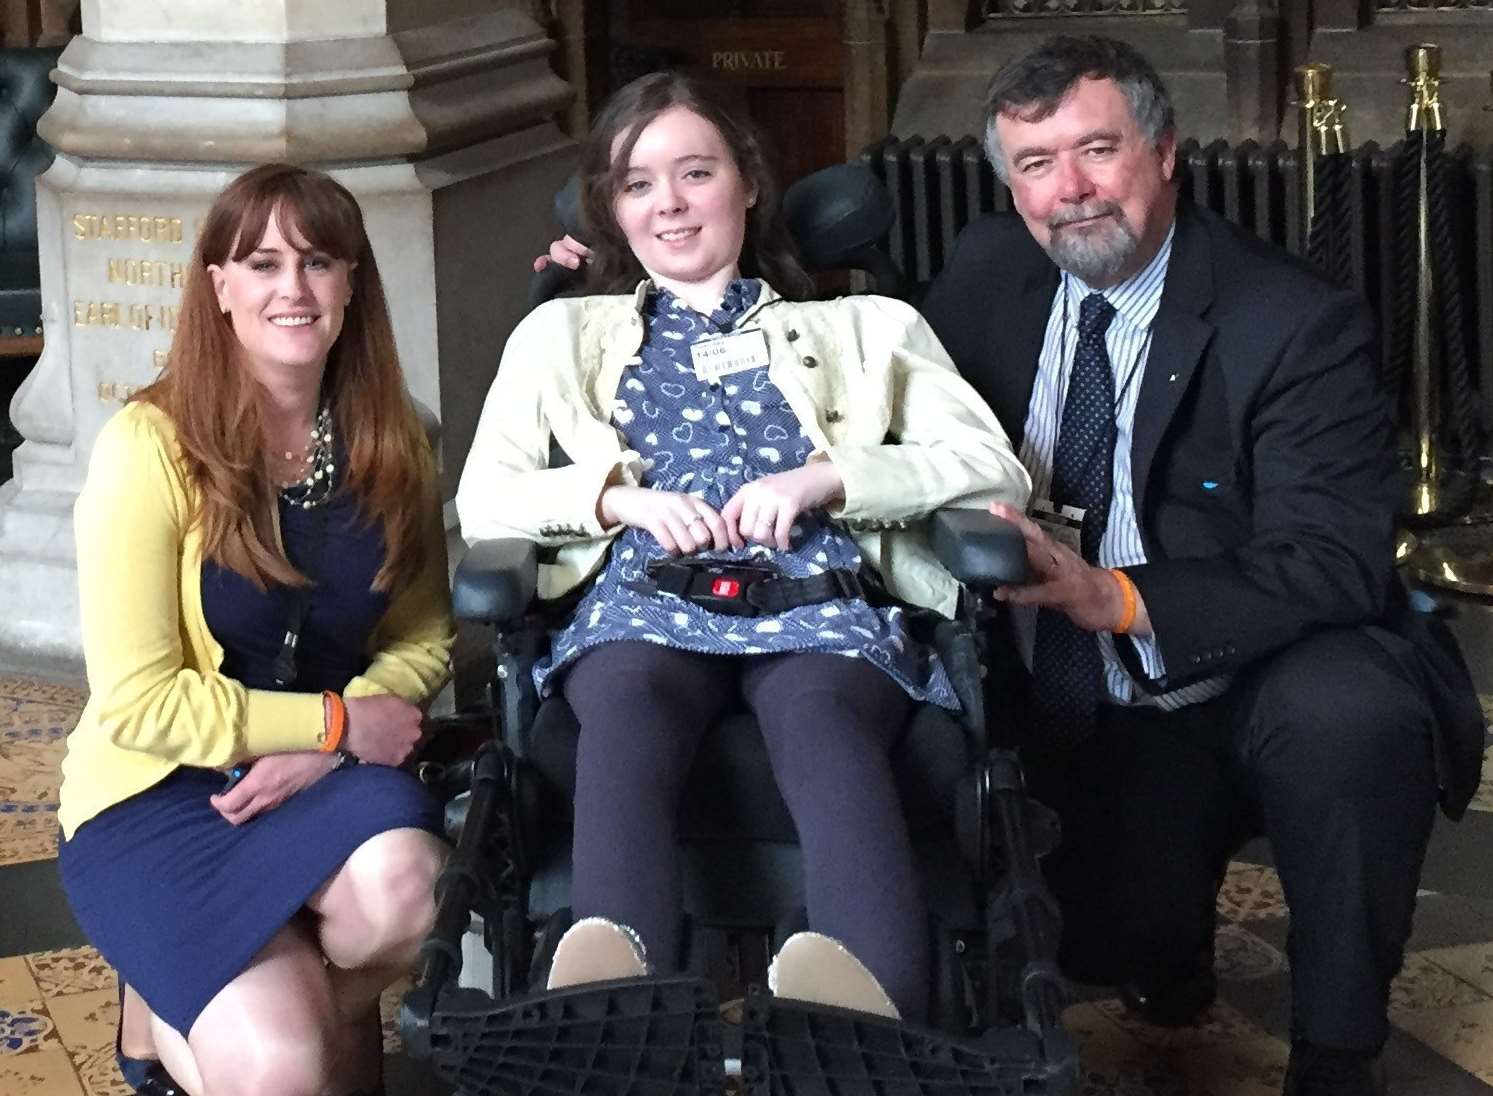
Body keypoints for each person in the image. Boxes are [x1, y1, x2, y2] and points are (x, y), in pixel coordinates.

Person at [916, 35, 1481, 1096]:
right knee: (1108, 939)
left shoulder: (1290, 321)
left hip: (1244, 675)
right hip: (1062, 694)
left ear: (1165, 152)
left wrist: (1112, 594)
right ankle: (1159, 940)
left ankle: (1334, 1053)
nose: (1069, 190)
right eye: (1035, 164)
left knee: (1349, 710)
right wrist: (600, 279)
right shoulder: (983, 271)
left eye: (1097, 150)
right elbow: (844, 371)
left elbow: (1333, 558)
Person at [457, 70, 1031, 1022]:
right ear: (612, 209)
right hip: (643, 600)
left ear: (749, 182)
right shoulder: (560, 334)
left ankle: (865, 1020)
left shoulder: (867, 325)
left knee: (818, 715)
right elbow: (485, 499)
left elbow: (990, 466)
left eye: (694, 173)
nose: (669, 205)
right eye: (637, 185)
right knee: (629, 704)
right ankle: (614, 1005)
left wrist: (829, 477)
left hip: (817, 604)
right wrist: (619, 503)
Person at [58, 163, 456, 1096]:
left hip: (320, 779)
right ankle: (191, 1008)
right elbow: (139, 701)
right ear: (219, 287)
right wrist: (334, 727)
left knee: (413, 889)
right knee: (282, 1066)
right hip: (158, 794)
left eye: (319, 262)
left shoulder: (400, 435)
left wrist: (339, 740)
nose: (293, 288)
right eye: (262, 263)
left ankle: (193, 999)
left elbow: (422, 634)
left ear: (353, 283)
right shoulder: (147, 448)